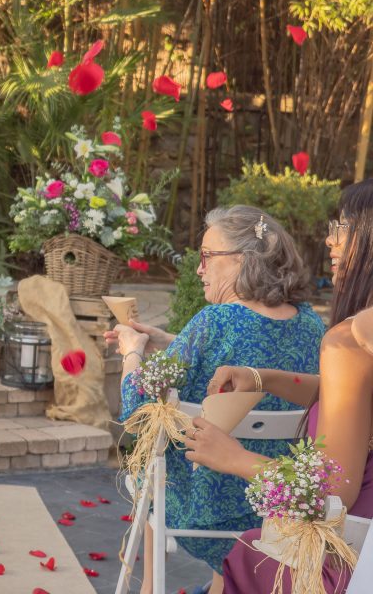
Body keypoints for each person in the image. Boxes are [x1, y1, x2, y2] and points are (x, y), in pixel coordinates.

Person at [108, 205, 323, 594]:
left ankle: (149, 589)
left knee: (153, 471)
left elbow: (135, 413)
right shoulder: (311, 325)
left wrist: (132, 350)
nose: (199, 268)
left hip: (204, 505)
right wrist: (170, 340)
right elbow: (259, 360)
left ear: (243, 260)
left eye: (207, 256)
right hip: (276, 501)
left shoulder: (213, 324)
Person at [186, 183, 373, 593]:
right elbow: (356, 402)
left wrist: (235, 458)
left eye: (343, 226)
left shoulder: (350, 340)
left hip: (350, 556)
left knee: (247, 553)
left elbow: (331, 494)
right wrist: (264, 378)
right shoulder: (311, 321)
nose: (330, 238)